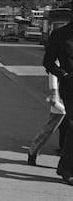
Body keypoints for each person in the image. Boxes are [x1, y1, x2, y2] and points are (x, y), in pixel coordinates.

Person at [43, 15, 73, 185]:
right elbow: (48, 62)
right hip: (71, 88)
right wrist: (64, 75)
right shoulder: (60, 35)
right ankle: (67, 169)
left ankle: (64, 166)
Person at [27, 72, 65, 166]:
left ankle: (66, 162)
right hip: (62, 93)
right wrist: (54, 92)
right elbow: (53, 72)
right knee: (50, 127)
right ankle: (33, 151)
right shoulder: (60, 57)